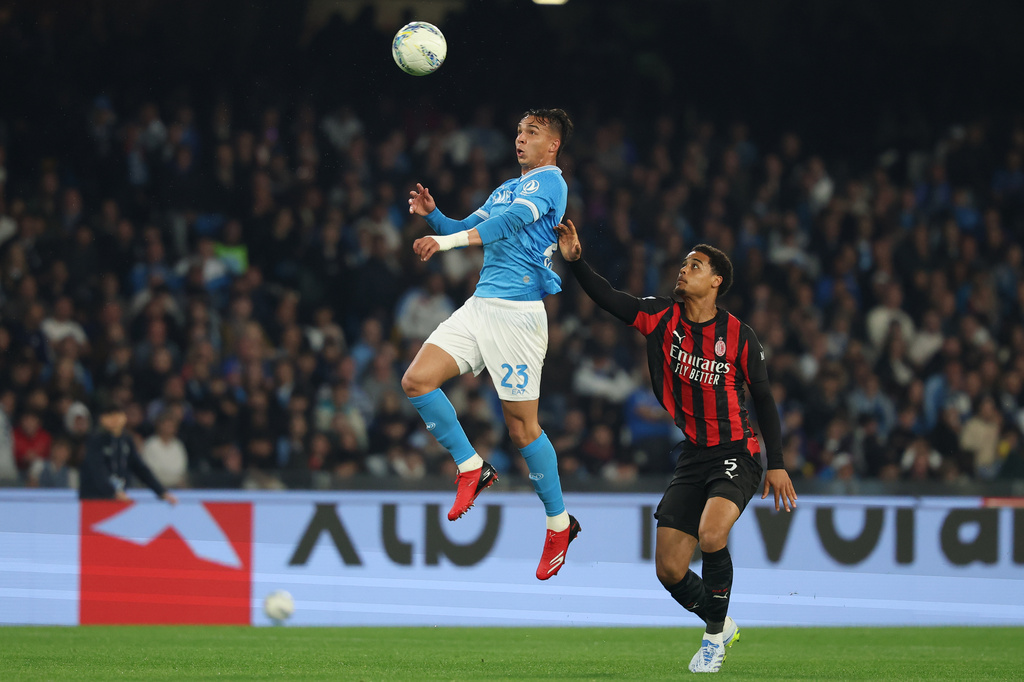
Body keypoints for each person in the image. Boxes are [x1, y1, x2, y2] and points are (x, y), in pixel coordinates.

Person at [555, 219, 797, 673]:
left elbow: (763, 398)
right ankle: (722, 622)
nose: (684, 270)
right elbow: (610, 299)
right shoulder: (661, 316)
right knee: (668, 568)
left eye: (695, 265)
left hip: (737, 451)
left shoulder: (740, 336)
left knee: (712, 534)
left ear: (716, 281)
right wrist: (578, 262)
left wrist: (777, 463)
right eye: (684, 264)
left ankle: (712, 640)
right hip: (694, 453)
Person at [402, 108, 580, 580]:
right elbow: (464, 224)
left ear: (553, 145)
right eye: (519, 131)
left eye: (532, 132)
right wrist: (434, 216)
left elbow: (506, 226)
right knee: (417, 381)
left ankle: (559, 524)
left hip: (518, 317)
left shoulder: (551, 184)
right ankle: (471, 467)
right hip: (480, 306)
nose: (520, 139)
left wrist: (447, 244)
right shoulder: (505, 188)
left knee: (523, 431)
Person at [78, 398, 179, 505]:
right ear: (102, 418)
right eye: (110, 415)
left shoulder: (126, 440)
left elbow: (139, 468)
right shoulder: (95, 440)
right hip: (94, 499)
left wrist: (161, 491)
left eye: (117, 414)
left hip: (118, 498)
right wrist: (113, 492)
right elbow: (97, 471)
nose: (115, 419)